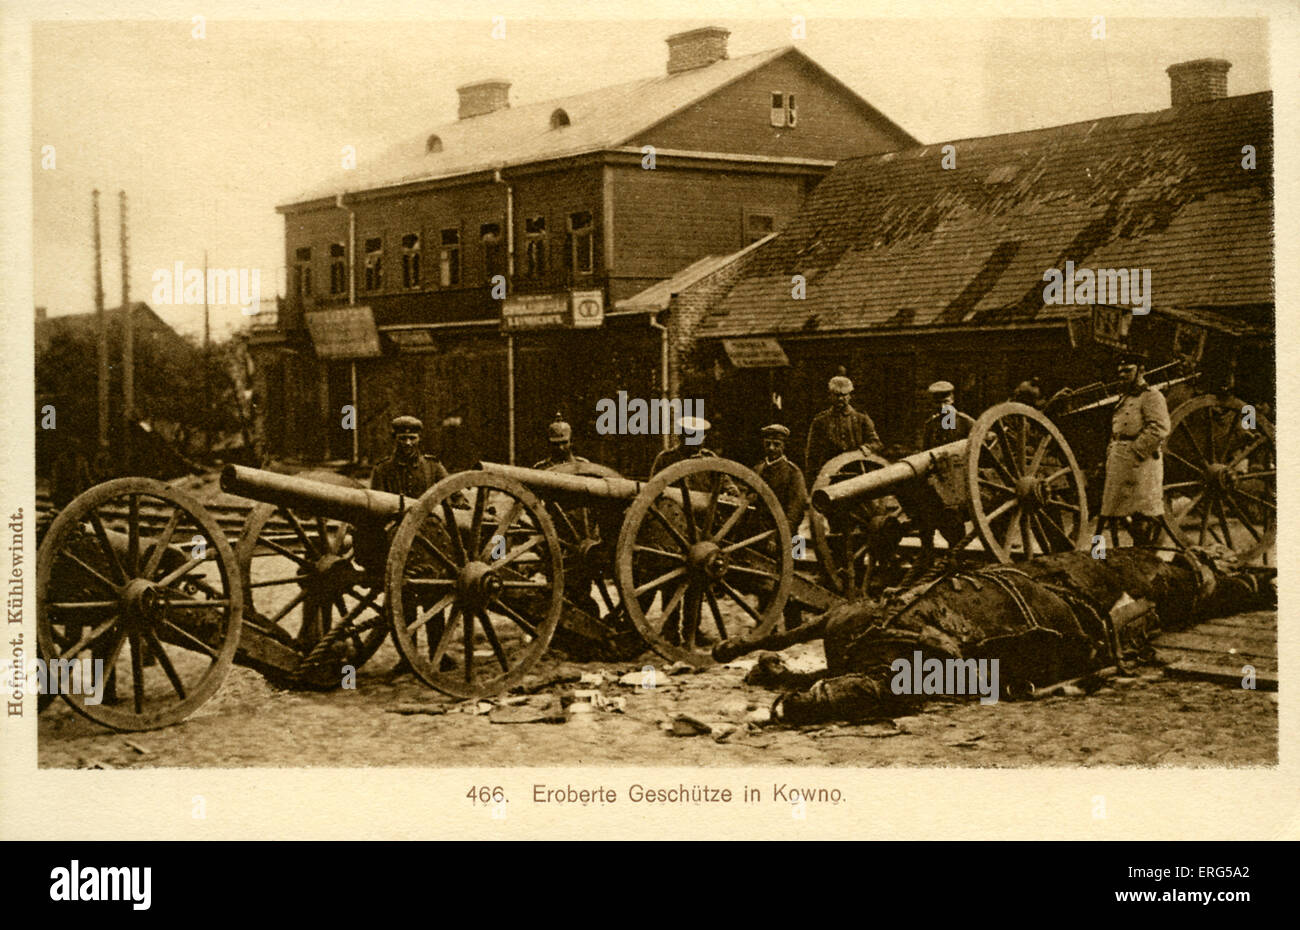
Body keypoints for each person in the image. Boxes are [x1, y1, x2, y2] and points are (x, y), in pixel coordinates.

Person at [1098, 355, 1170, 547]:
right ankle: (1102, 555)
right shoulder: (1125, 396)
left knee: (1141, 513)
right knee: (1109, 511)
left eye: (1128, 370)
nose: (1122, 375)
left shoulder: (1152, 396)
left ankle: (1144, 551)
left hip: (1141, 465)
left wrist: (1136, 451)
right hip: (1119, 459)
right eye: (1120, 371)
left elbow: (1159, 428)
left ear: (1141, 370)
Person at [753, 423, 809, 630]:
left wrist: (778, 537)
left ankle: (794, 625)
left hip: (792, 535)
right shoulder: (758, 469)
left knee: (793, 578)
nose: (772, 448)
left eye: (777, 444)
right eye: (768, 443)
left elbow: (797, 509)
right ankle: (766, 625)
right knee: (763, 581)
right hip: (761, 534)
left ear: (784, 446)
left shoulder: (793, 472)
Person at [804, 372, 882, 482]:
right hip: (830, 475)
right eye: (837, 395)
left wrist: (863, 449)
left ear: (850, 396)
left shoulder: (861, 418)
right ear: (830, 395)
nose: (840, 399)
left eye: (844, 395)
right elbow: (812, 454)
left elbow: (876, 443)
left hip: (857, 473)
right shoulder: (820, 421)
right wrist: (813, 479)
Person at [370, 415, 449, 498]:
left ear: (419, 439)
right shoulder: (382, 469)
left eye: (412, 438)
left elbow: (454, 492)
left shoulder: (432, 466)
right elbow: (377, 502)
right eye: (403, 438)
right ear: (394, 439)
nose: (408, 443)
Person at [649, 415, 716, 479]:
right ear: (681, 437)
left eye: (700, 438)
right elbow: (654, 486)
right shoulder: (665, 459)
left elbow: (723, 483)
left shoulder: (710, 458)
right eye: (692, 437)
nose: (697, 443)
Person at [920, 380, 977, 450]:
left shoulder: (965, 422)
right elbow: (925, 452)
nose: (942, 407)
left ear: (952, 400)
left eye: (945, 402)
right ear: (933, 404)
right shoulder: (931, 425)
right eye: (938, 403)